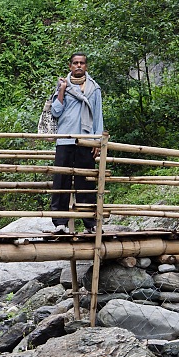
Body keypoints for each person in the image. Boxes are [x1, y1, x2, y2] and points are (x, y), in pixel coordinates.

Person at [49, 52, 104, 234]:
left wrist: (97, 141)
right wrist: (63, 90)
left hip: (86, 140)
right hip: (65, 139)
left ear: (86, 66)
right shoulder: (61, 86)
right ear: (70, 66)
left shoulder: (94, 89)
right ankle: (60, 223)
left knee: (86, 181)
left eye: (81, 63)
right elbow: (55, 112)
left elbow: (98, 116)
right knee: (61, 180)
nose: (78, 66)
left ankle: (90, 224)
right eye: (75, 63)